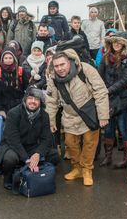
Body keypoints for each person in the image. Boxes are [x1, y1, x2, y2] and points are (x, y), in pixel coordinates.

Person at [46, 50, 109, 186]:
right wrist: (51, 120)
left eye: (62, 64)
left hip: (88, 114)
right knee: (70, 143)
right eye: (56, 66)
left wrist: (103, 115)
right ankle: (77, 168)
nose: (60, 68)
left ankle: (86, 169)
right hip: (69, 115)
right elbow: (51, 100)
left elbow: (101, 91)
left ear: (69, 62)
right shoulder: (53, 78)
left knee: (90, 143)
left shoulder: (85, 70)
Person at [0, 88, 60, 190]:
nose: (33, 102)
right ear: (25, 100)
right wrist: (26, 159)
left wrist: (38, 154)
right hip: (13, 146)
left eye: (37, 99)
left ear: (41, 102)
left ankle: (34, 173)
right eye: (30, 98)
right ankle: (8, 177)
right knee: (10, 158)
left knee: (55, 155)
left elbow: (46, 139)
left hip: (32, 147)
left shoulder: (44, 115)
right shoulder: (13, 113)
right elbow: (13, 139)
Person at [97, 36, 127, 168]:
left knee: (123, 128)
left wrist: (107, 90)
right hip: (108, 98)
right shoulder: (105, 58)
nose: (117, 44)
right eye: (114, 42)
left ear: (124, 44)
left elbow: (124, 81)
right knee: (108, 129)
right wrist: (102, 90)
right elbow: (99, 75)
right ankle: (108, 157)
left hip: (122, 98)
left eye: (119, 42)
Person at [0, 50, 29, 118]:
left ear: (14, 58)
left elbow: (27, 89)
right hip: (4, 106)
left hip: (19, 105)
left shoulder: (20, 70)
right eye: (6, 58)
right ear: (2, 59)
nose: (8, 60)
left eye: (10, 58)